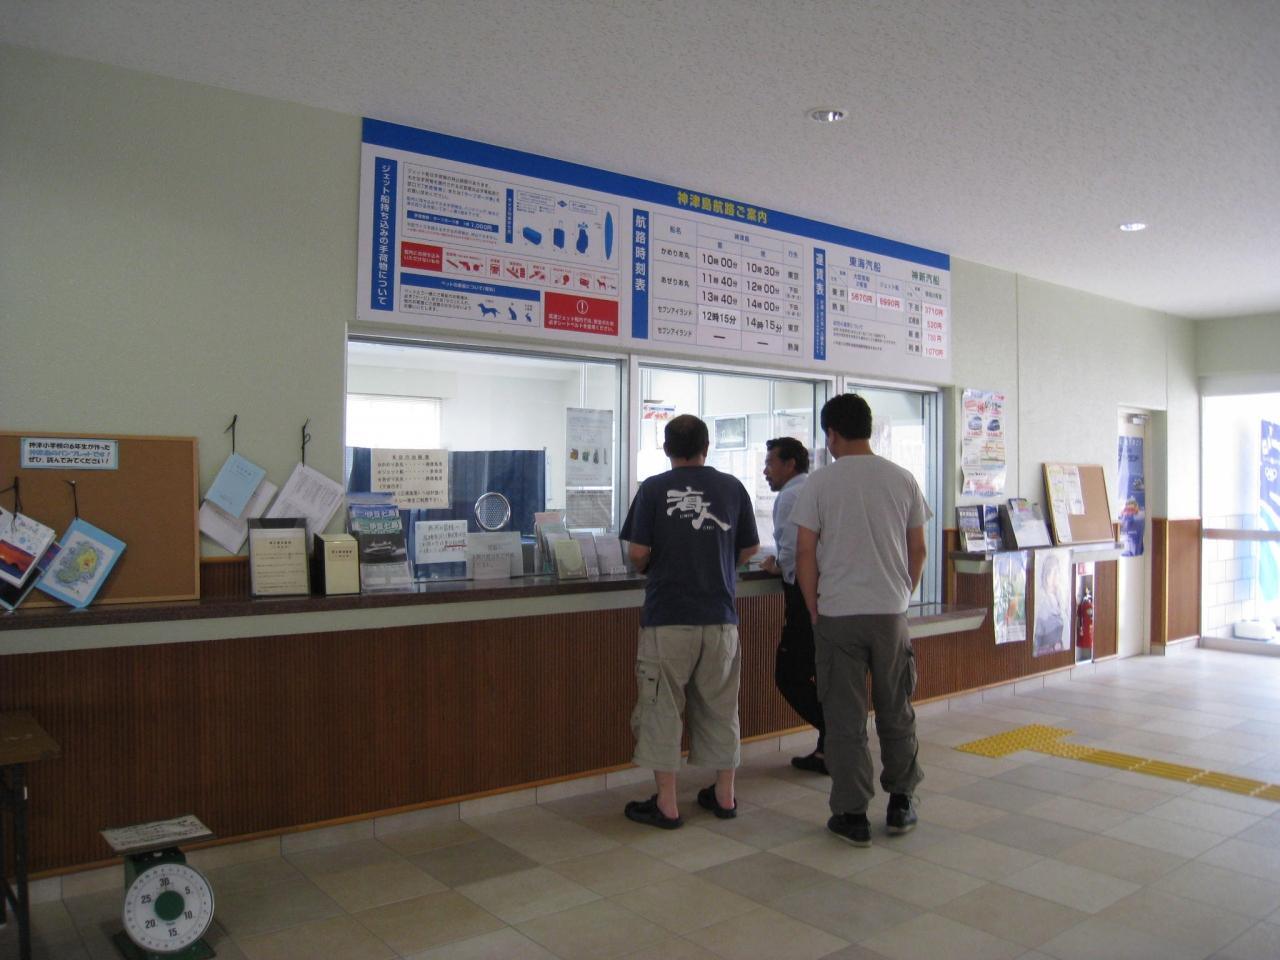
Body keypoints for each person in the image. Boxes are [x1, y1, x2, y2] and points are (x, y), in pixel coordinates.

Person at [791, 394, 930, 847]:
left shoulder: (820, 483)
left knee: (844, 717)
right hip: (890, 615)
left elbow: (805, 552)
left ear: (832, 434)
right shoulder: (902, 479)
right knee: (896, 709)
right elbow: (919, 549)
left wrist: (813, 606)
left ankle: (852, 815)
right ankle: (901, 802)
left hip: (837, 615)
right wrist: (902, 595)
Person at [619, 414, 759, 829]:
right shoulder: (732, 487)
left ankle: (667, 805)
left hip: (668, 617)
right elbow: (750, 548)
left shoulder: (653, 489)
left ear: (666, 448)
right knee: (721, 705)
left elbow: (637, 552)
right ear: (706, 447)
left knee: (662, 707)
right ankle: (724, 795)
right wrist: (718, 564)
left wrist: (660, 564)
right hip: (721, 619)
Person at [760, 436, 827, 774]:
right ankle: (830, 746)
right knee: (819, 673)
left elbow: (794, 550)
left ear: (789, 464)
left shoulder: (789, 496)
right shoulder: (817, 488)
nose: (765, 471)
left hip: (803, 596)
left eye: (770, 463)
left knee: (790, 675)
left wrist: (778, 567)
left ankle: (835, 734)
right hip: (827, 595)